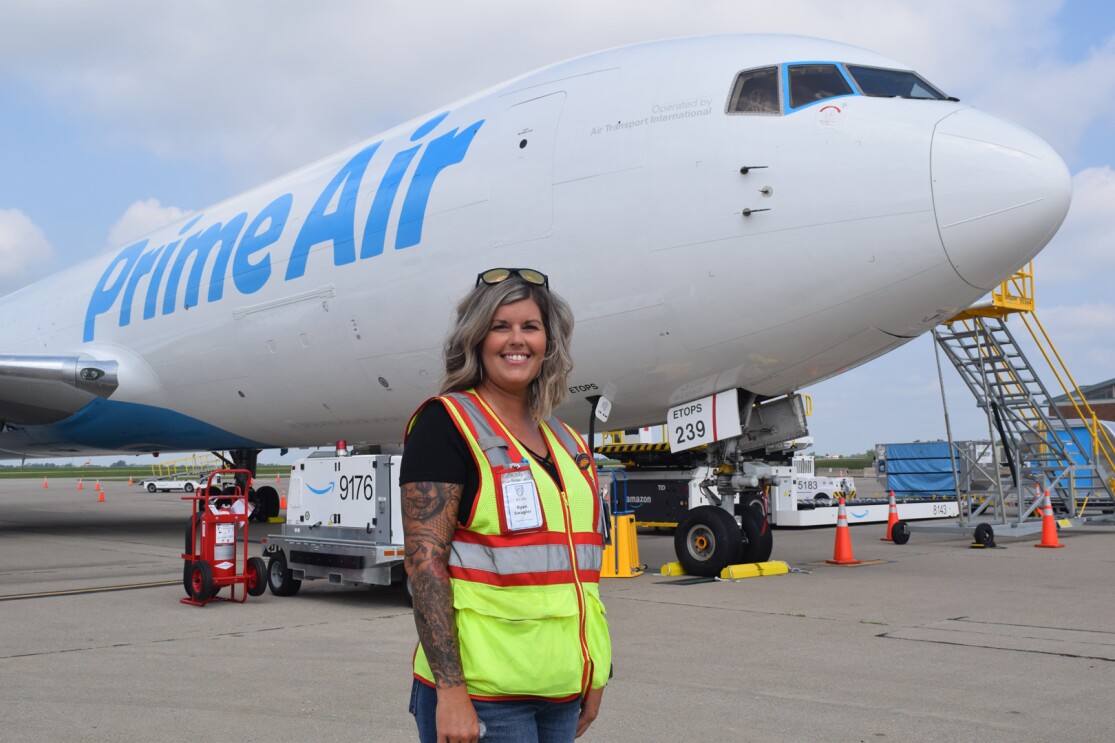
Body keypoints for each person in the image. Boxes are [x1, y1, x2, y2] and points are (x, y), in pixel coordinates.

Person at [401, 267, 610, 743]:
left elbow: (580, 576)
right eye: (500, 327)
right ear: (476, 339)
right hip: (483, 695)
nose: (516, 340)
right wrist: (452, 694)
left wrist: (596, 671)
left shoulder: (567, 441)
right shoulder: (447, 424)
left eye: (530, 327)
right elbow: (425, 565)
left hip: (561, 691)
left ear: (548, 342)